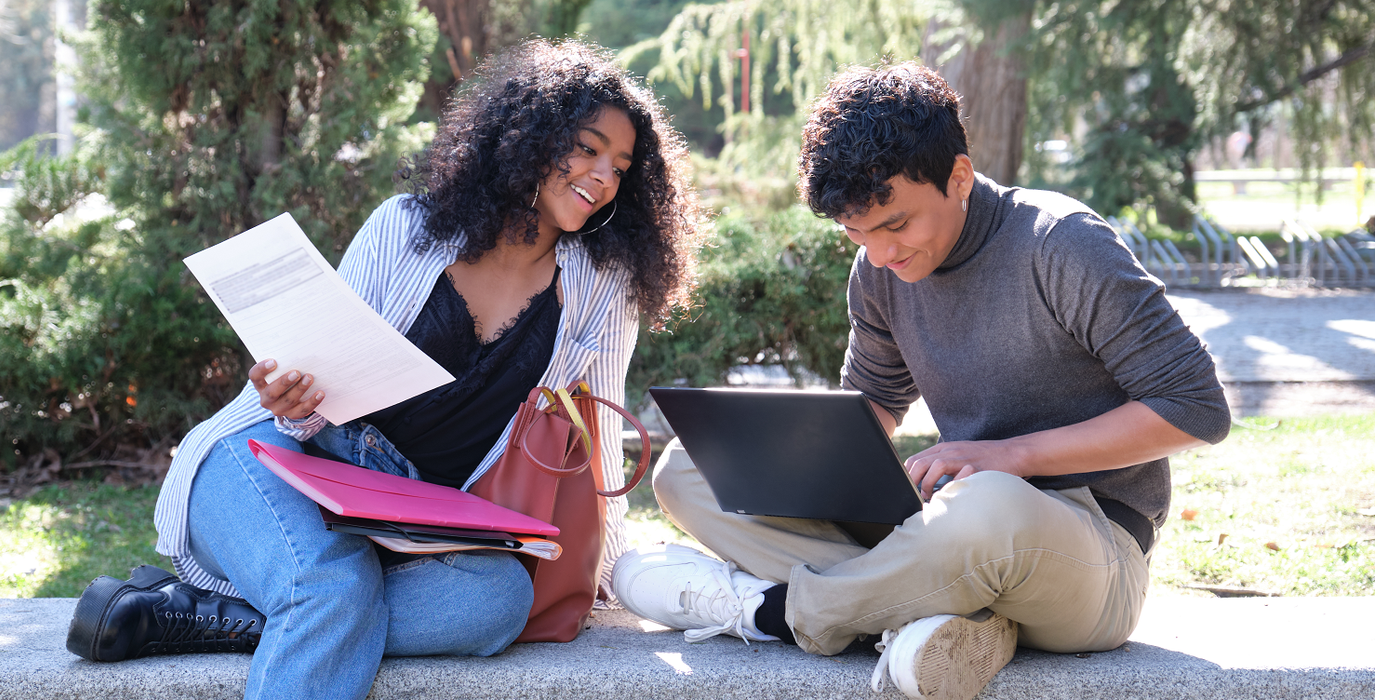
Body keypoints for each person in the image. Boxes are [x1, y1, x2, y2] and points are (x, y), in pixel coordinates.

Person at [64, 39, 703, 700]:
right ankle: (308, 605)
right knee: (330, 584)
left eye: (622, 166)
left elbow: (595, 426)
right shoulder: (404, 230)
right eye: (588, 147)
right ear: (530, 138)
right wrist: (291, 394)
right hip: (273, 457)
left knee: (498, 599)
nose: (603, 176)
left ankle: (222, 622)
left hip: (410, 513)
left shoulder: (601, 285)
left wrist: (611, 562)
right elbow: (314, 375)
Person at [612, 63, 1231, 700]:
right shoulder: (877, 272)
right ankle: (946, 618)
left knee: (986, 505)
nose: (880, 253)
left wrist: (1010, 458)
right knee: (691, 470)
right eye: (856, 232)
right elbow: (872, 405)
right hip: (946, 526)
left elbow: (1197, 409)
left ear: (958, 177)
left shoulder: (1061, 245)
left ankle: (768, 613)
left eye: (896, 225)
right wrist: (790, 453)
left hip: (1090, 547)